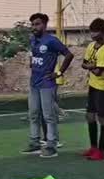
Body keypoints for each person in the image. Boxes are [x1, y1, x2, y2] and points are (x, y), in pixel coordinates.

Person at [22, 13, 73, 158]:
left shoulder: (52, 41)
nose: (34, 27)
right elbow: (33, 55)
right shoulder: (33, 40)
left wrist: (58, 73)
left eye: (37, 24)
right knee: (33, 114)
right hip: (34, 83)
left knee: (49, 116)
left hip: (47, 83)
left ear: (44, 25)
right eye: (32, 24)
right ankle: (35, 143)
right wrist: (32, 61)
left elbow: (69, 55)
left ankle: (52, 145)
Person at [81, 18, 104, 162]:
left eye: (96, 32)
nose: (93, 34)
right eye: (91, 31)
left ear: (103, 32)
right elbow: (84, 64)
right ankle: (93, 147)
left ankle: (101, 151)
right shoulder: (91, 45)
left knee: (102, 118)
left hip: (103, 88)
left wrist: (91, 66)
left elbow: (99, 72)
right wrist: (92, 66)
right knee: (89, 116)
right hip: (92, 86)